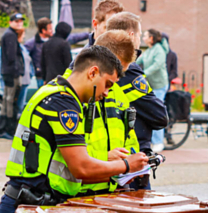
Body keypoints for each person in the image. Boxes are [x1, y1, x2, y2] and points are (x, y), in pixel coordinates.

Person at [0, 46, 150, 213]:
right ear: (92, 72)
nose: (106, 93)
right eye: (107, 84)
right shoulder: (64, 104)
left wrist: (104, 158)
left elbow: (56, 157)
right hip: (31, 208)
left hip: (30, 205)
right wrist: (126, 165)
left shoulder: (57, 93)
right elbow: (81, 168)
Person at [72, 30, 141, 195]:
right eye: (118, 70)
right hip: (79, 191)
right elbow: (69, 156)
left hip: (111, 189)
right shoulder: (70, 95)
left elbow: (129, 136)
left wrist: (131, 160)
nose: (119, 79)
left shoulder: (117, 93)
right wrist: (107, 157)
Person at [106, 13, 168, 161]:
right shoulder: (128, 70)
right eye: (140, 35)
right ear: (132, 35)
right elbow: (159, 116)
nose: (141, 40)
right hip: (132, 153)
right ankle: (159, 142)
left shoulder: (91, 59)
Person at [0, 13, 32, 140]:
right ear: (10, 22)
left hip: (9, 72)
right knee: (10, 102)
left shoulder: (9, 35)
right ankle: (7, 129)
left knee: (8, 100)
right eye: (16, 21)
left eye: (21, 21)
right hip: (12, 74)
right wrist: (18, 70)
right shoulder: (10, 36)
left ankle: (5, 129)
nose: (19, 23)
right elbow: (12, 57)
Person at [138, 28, 170, 152]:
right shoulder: (149, 50)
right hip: (152, 85)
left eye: (145, 36)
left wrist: (143, 74)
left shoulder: (159, 50)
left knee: (155, 112)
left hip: (159, 85)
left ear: (151, 38)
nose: (143, 38)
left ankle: (158, 142)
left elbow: (157, 65)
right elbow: (139, 60)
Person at [24, 18, 54, 86]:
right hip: (39, 77)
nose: (52, 31)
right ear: (43, 30)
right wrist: (33, 70)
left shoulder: (53, 41)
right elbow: (23, 58)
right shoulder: (31, 43)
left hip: (52, 75)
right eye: (50, 29)